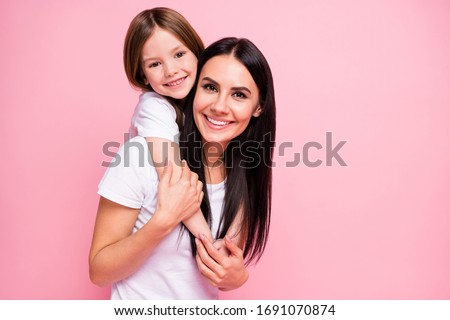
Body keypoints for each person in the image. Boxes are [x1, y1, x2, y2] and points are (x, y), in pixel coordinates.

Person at [89, 37, 276, 299]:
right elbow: (99, 272)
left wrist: (237, 277)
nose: (220, 106)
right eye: (210, 87)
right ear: (194, 89)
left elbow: (219, 266)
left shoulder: (244, 172)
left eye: (238, 95)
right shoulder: (140, 156)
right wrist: (162, 222)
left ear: (259, 106)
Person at [123, 8, 214, 244]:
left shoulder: (202, 100)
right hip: (159, 241)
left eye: (179, 54)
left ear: (196, 53)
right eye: (154, 64)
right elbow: (175, 185)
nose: (171, 70)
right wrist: (208, 241)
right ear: (143, 75)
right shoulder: (153, 107)